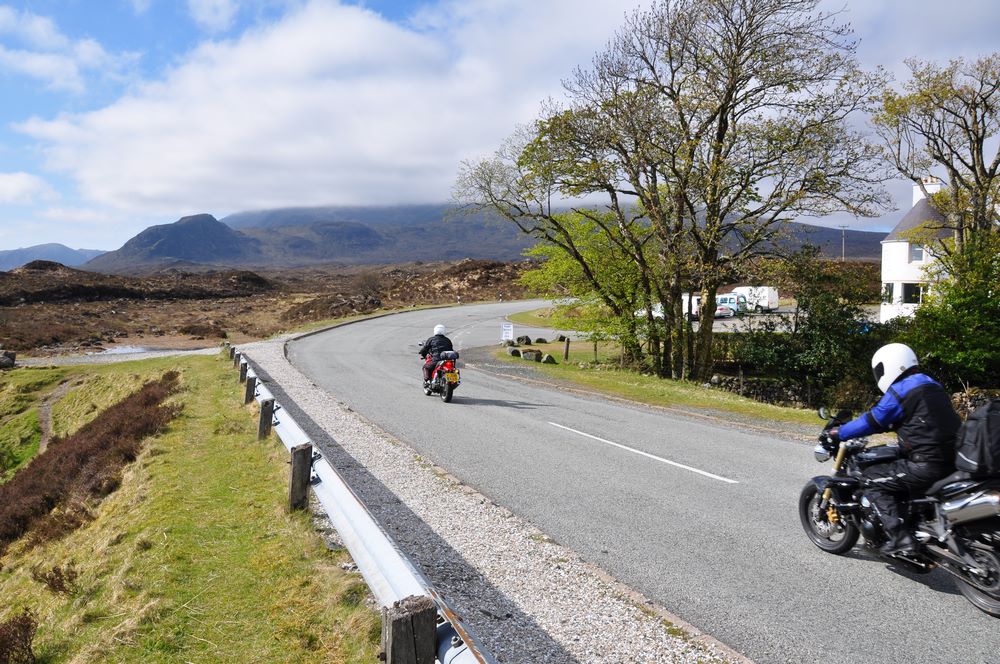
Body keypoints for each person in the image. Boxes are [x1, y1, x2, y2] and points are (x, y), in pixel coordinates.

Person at [820, 343, 961, 556]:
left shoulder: (902, 390)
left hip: (926, 463)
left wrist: (838, 433)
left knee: (870, 480)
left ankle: (900, 538)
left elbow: (872, 421)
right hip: (953, 458)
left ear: (890, 366)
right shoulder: (932, 385)